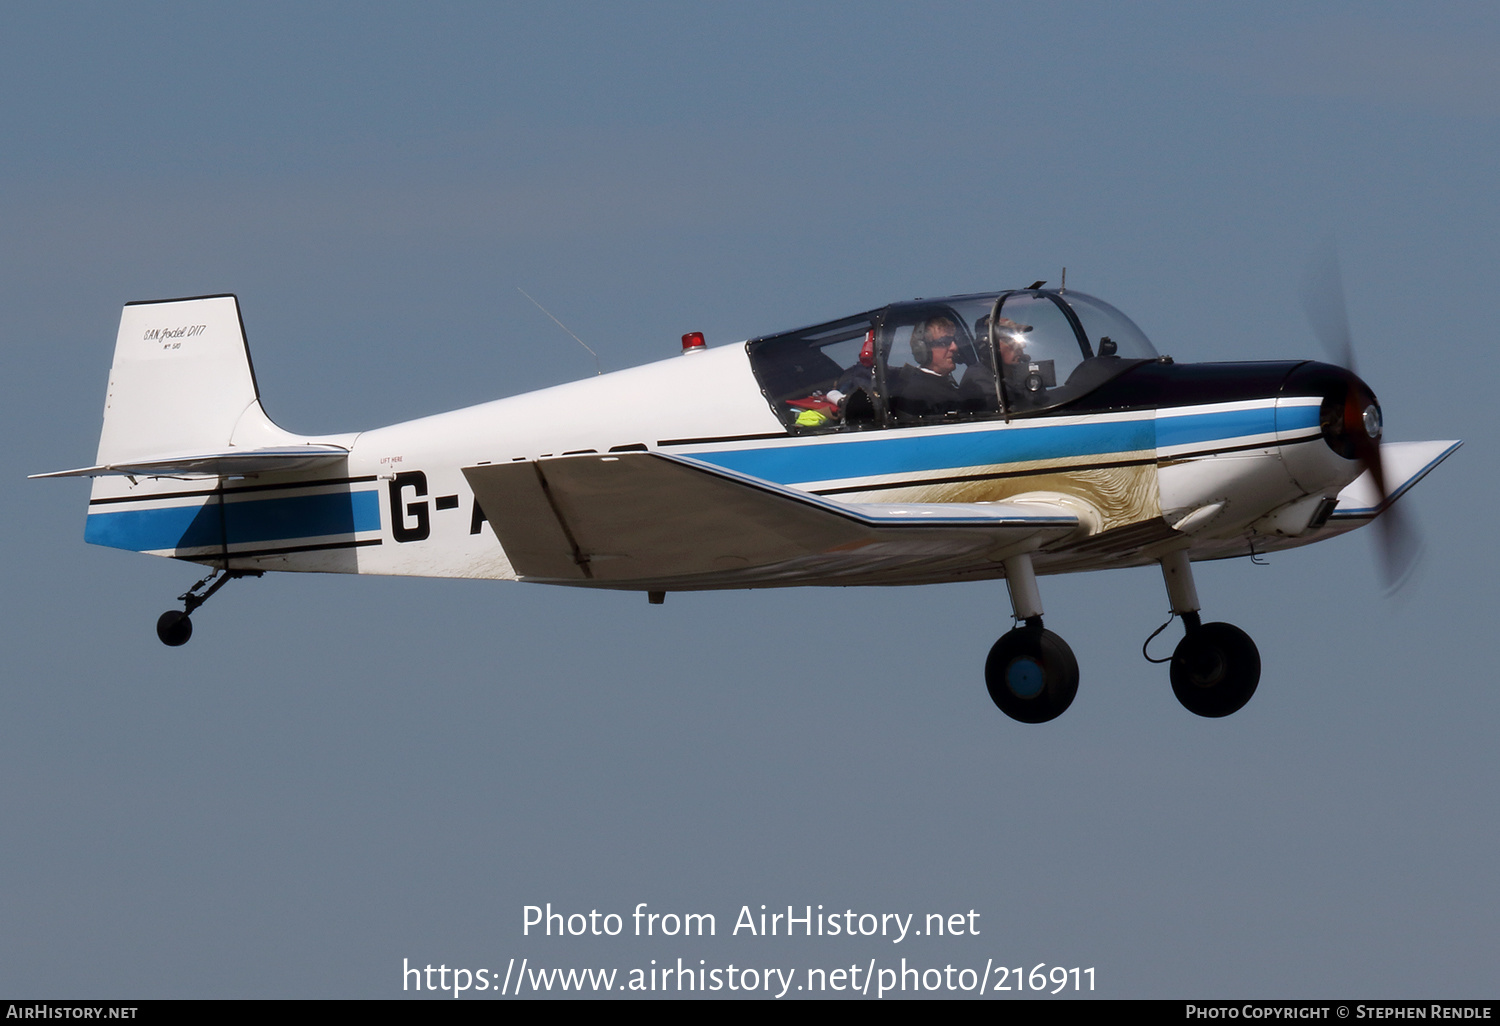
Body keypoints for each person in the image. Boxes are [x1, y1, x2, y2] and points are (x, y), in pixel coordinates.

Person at [888, 316, 964, 421]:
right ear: (923, 349)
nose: (954, 347)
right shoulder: (916, 395)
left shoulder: (944, 386)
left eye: (954, 341)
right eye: (945, 342)